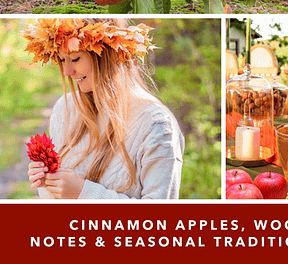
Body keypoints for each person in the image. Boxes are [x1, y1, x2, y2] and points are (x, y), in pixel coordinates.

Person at [23, 18, 184, 199]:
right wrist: (48, 182)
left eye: (75, 58)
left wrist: (84, 193)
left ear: (105, 55)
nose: (67, 71)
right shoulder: (65, 109)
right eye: (62, 60)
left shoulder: (156, 124)